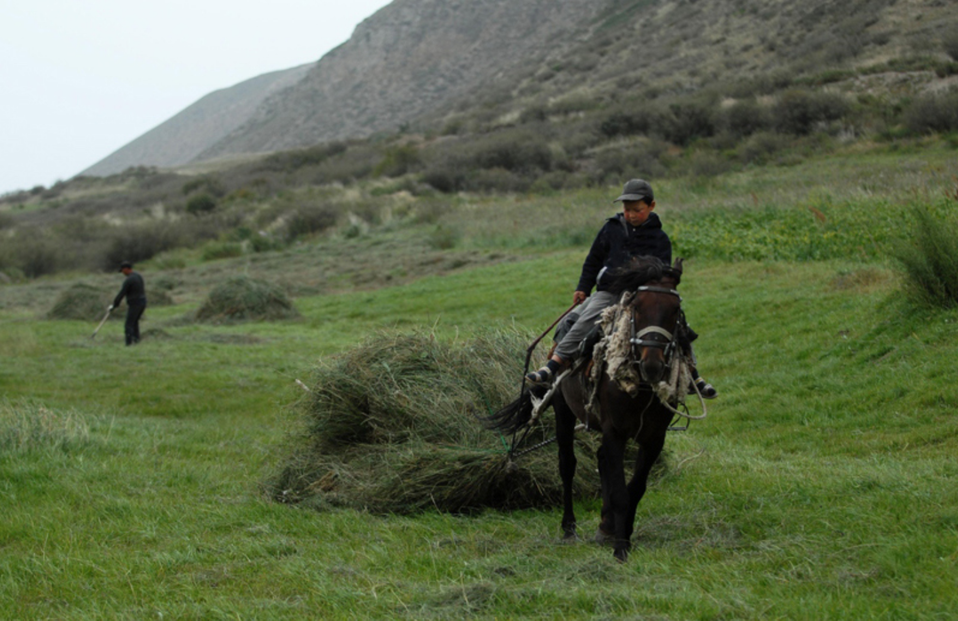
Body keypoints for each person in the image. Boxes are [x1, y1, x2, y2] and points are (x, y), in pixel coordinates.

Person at [526, 178, 717, 398]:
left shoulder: (660, 239)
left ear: (651, 206)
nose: (631, 215)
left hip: (642, 295)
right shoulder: (611, 229)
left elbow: (661, 273)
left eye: (637, 210)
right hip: (609, 292)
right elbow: (593, 260)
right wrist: (583, 287)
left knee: (675, 324)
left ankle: (693, 375)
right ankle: (553, 365)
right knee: (584, 319)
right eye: (627, 210)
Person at [110, 261, 147, 346]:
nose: (122, 273)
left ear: (126, 269)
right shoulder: (138, 276)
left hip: (135, 303)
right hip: (142, 302)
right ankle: (136, 341)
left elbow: (122, 293)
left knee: (128, 325)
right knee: (134, 322)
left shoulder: (129, 280)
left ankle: (128, 344)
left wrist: (115, 305)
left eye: (122, 271)